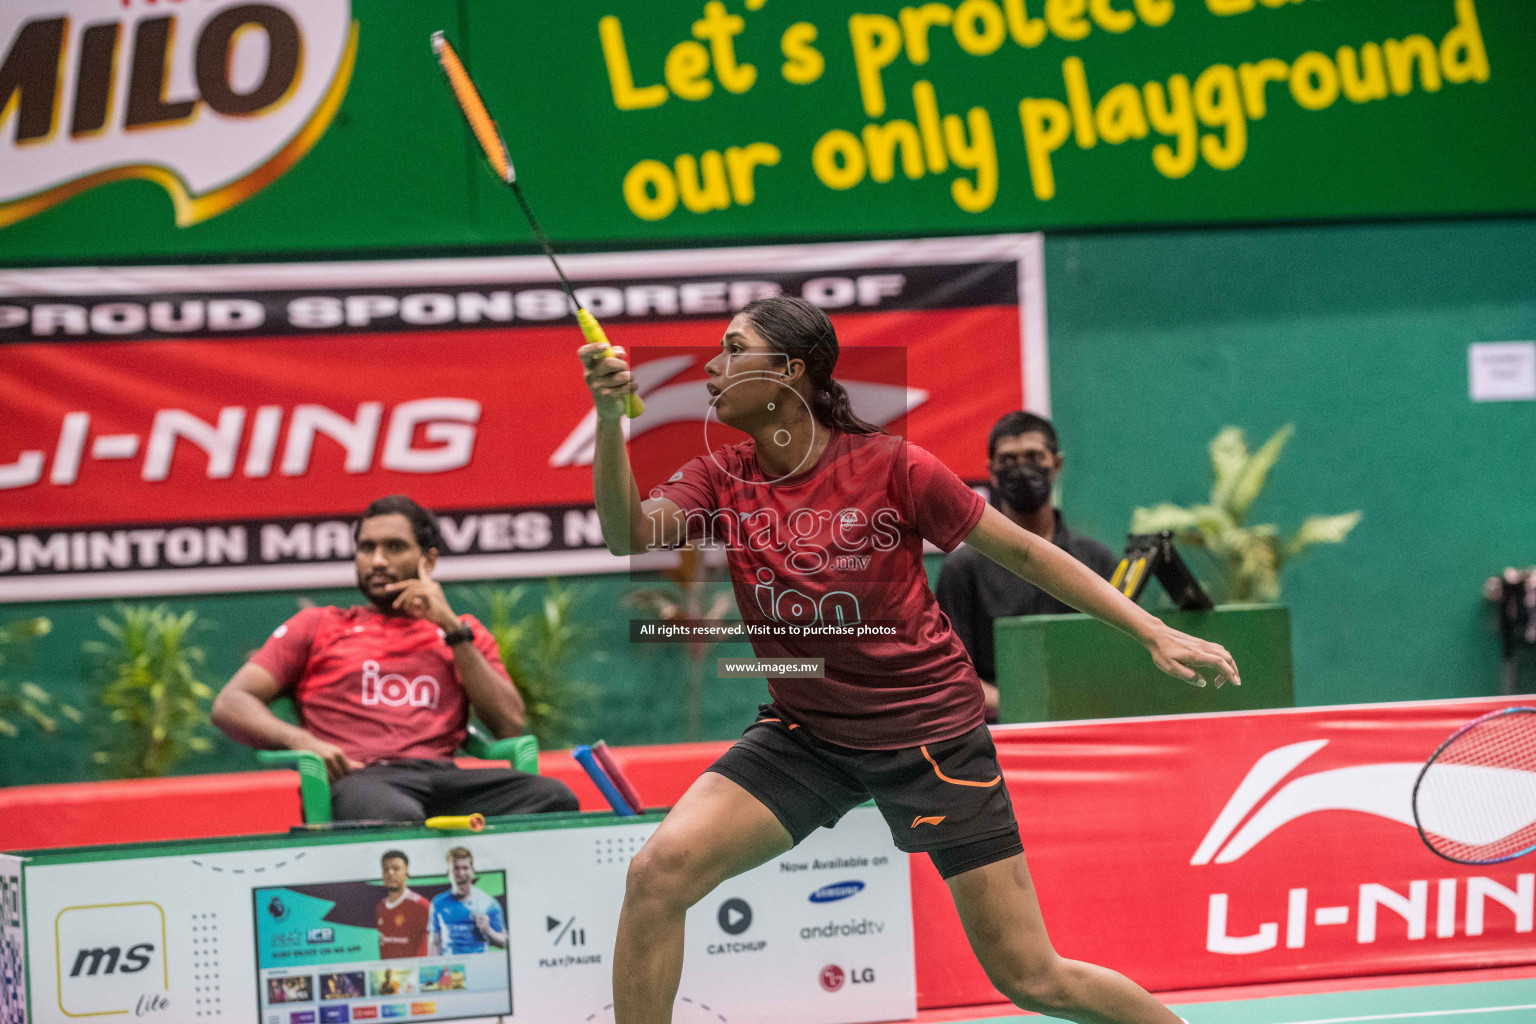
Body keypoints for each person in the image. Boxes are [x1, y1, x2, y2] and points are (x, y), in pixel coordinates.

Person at [580, 295, 1233, 1024]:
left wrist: (1149, 629)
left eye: (734, 350)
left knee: (1032, 979)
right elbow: (627, 533)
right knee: (656, 876)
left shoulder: (895, 468)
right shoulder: (722, 476)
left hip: (929, 736)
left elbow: (1023, 551)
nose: (713, 366)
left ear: (792, 372)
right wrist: (610, 419)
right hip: (808, 735)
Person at [211, 495, 578, 822]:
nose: (378, 560)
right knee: (395, 813)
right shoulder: (317, 626)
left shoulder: (461, 632)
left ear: (427, 561)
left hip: (445, 778)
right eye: (366, 548)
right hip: (360, 780)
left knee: (553, 798)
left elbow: (509, 725)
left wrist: (451, 629)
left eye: (394, 547)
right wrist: (300, 740)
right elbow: (231, 704)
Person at [937, 410, 1119, 721]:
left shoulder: (1096, 560)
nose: (1021, 469)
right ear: (992, 472)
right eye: (1008, 460)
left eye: (1034, 456)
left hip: (1089, 722)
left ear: (1056, 465)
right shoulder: (963, 569)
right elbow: (950, 676)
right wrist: (1025, 704)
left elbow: (1116, 660)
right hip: (999, 737)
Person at [429, 847, 507, 954]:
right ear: (448, 872)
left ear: (472, 871)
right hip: (451, 967)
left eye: (465, 868)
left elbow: (504, 943)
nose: (461, 873)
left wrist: (488, 930)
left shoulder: (489, 904)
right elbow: (435, 942)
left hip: (479, 966)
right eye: (456, 868)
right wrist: (433, 967)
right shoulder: (438, 903)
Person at [376, 850, 430, 959]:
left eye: (396, 869)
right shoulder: (380, 907)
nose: (390, 873)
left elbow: (439, 941)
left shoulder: (420, 905)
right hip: (390, 974)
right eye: (386, 869)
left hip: (414, 973)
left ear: (406, 873)